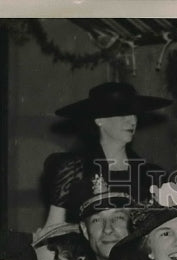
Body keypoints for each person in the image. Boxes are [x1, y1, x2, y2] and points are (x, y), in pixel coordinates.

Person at [43, 81, 169, 227]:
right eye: (123, 114)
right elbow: (53, 228)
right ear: (99, 120)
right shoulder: (73, 169)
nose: (132, 121)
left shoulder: (151, 174)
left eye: (134, 114)